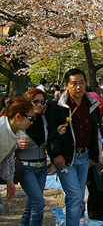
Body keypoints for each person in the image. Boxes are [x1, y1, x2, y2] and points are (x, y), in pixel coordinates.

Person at [46, 68, 103, 226]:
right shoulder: (57, 106)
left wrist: (95, 155)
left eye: (81, 83)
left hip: (83, 156)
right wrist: (55, 154)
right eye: (74, 84)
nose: (78, 87)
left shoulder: (91, 105)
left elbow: (95, 132)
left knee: (78, 196)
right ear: (66, 85)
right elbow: (50, 132)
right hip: (66, 158)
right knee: (75, 195)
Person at [17, 88, 49, 226]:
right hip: (25, 168)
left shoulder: (44, 120)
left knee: (32, 204)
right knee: (38, 203)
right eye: (35, 101)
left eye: (42, 102)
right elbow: (7, 140)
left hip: (42, 168)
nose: (39, 105)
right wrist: (17, 143)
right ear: (27, 101)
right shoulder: (19, 120)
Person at [0, 97, 34, 217]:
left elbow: (7, 157)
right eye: (29, 118)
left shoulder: (15, 133)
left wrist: (9, 181)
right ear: (18, 116)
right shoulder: (1, 128)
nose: (31, 123)